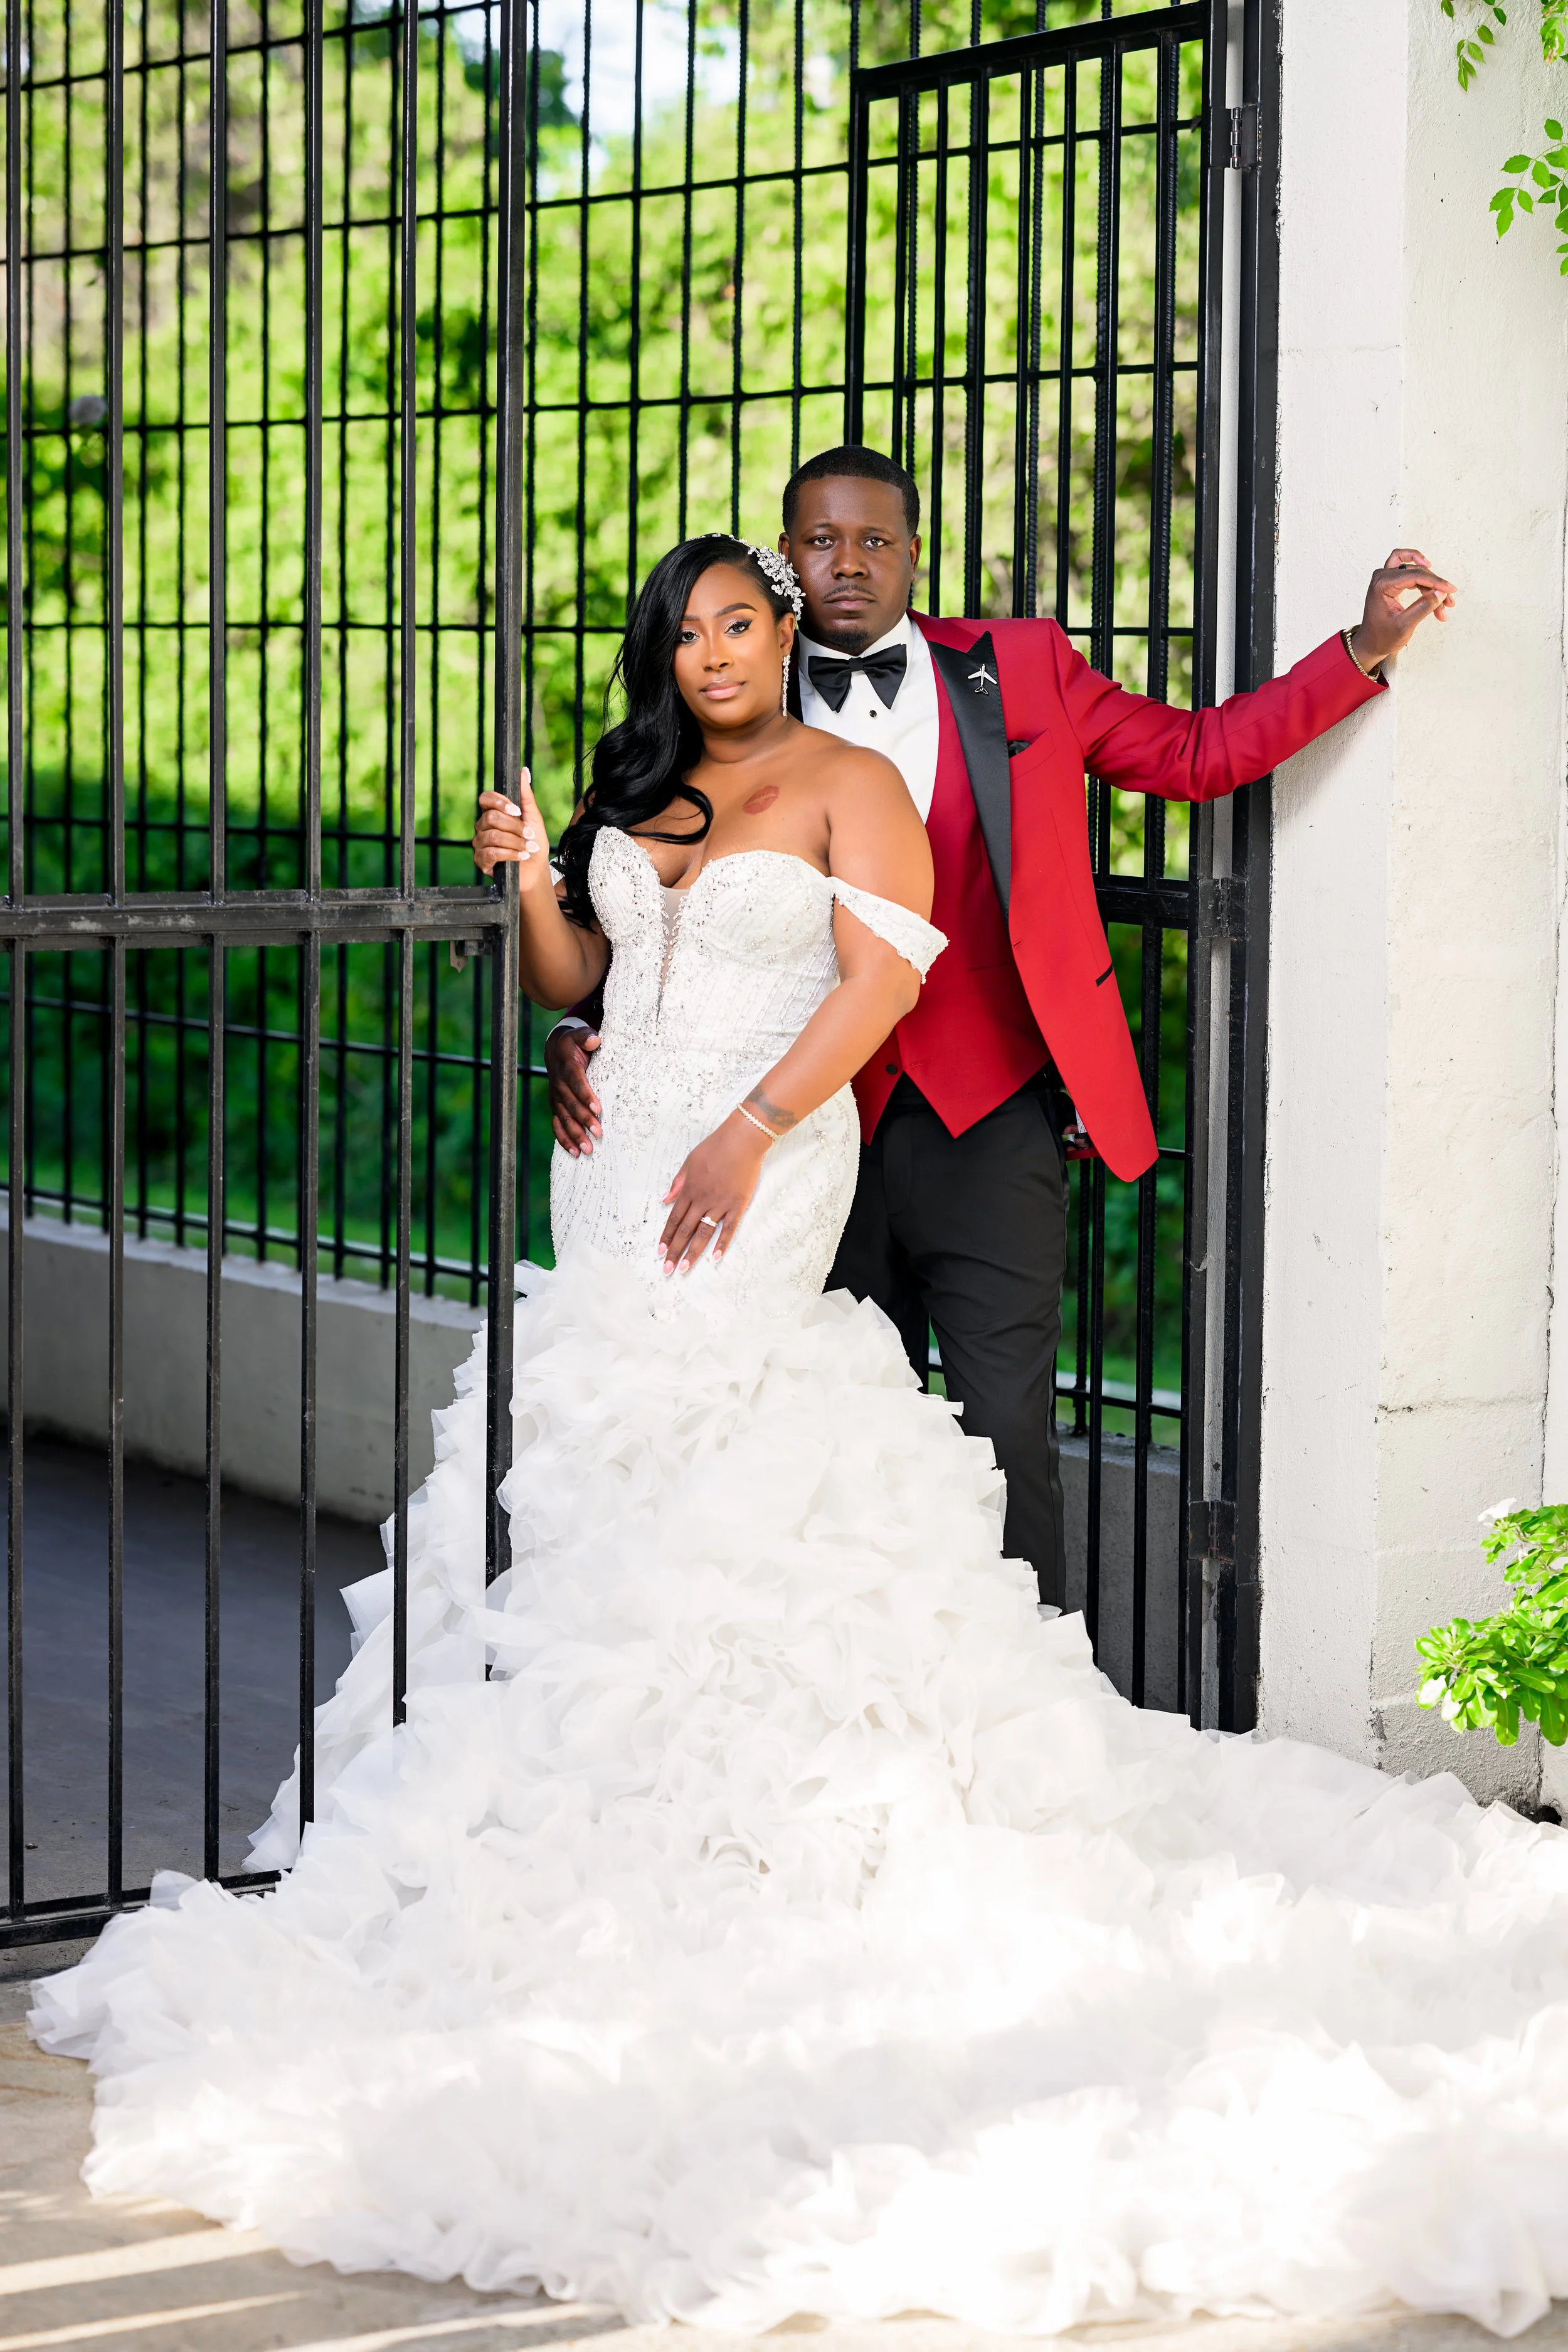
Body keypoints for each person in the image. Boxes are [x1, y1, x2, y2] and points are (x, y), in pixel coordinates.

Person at [32, 537, 1568, 2343]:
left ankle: (816, 1795)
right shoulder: (642, 780)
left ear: (815, 605)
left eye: (745, 614)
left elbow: (926, 949)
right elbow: (576, 983)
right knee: (610, 1444)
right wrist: (534, 886)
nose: (719, 647)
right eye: (687, 630)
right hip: (614, 1160)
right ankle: (575, 1814)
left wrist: (754, 1127)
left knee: (795, 1424)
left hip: (784, 1150)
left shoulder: (871, 767)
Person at [546, 450, 1456, 1604]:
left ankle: (1034, 1719)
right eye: (820, 540)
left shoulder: (1018, 668)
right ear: (786, 561)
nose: (849, 563)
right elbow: (655, 904)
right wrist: (581, 1031)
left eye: (875, 540)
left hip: (989, 1117)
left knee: (1005, 1435)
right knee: (802, 1442)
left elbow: (1194, 755)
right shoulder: (715, 703)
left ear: (913, 552)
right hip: (789, 1144)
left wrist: (1364, 647)